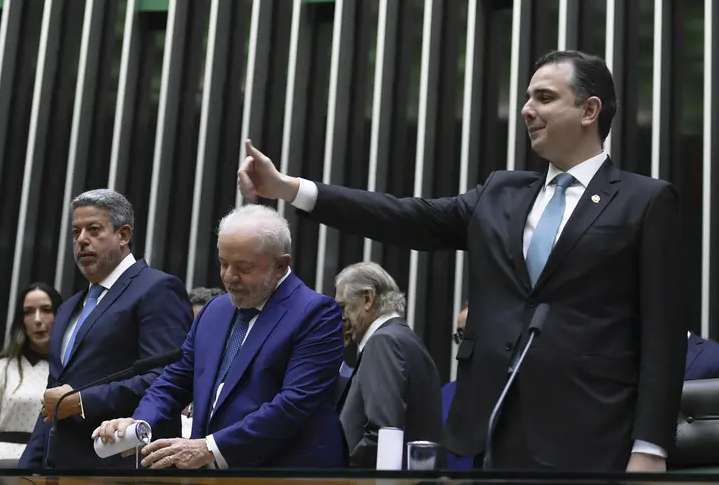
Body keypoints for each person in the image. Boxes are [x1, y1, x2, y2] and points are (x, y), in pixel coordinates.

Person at [236, 50, 686, 472]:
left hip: (594, 437)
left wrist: (650, 446)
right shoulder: (499, 193)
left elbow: (662, 338)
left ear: (590, 111)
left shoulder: (644, 202)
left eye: (544, 98)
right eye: (527, 98)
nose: (527, 110)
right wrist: (291, 190)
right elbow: (405, 217)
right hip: (490, 432)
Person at [93, 204, 346, 469]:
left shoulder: (315, 313)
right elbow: (176, 379)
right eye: (223, 263)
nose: (228, 277)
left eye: (243, 268)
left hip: (286, 473)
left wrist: (209, 448)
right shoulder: (215, 309)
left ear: (281, 265)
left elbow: (294, 404)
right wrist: (139, 424)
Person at [19, 189, 193, 469]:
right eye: (76, 232)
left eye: (94, 229)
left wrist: (82, 401)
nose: (82, 240)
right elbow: (54, 401)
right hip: (62, 468)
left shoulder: (157, 289)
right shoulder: (68, 308)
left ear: (123, 235)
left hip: (124, 465)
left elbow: (167, 379)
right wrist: (28, 468)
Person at [335, 262, 442, 467]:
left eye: (343, 307)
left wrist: (343, 473)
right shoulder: (405, 338)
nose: (341, 317)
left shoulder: (383, 342)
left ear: (368, 298)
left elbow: (383, 435)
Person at [0, 283, 62, 461]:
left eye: (46, 309)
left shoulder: (71, 368)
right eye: (28, 312)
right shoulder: (1, 366)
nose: (37, 319)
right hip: (2, 463)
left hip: (48, 463)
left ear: (60, 315)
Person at [441, 305, 472, 470]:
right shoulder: (445, 393)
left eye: (469, 331)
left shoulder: (508, 390)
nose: (463, 341)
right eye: (460, 335)